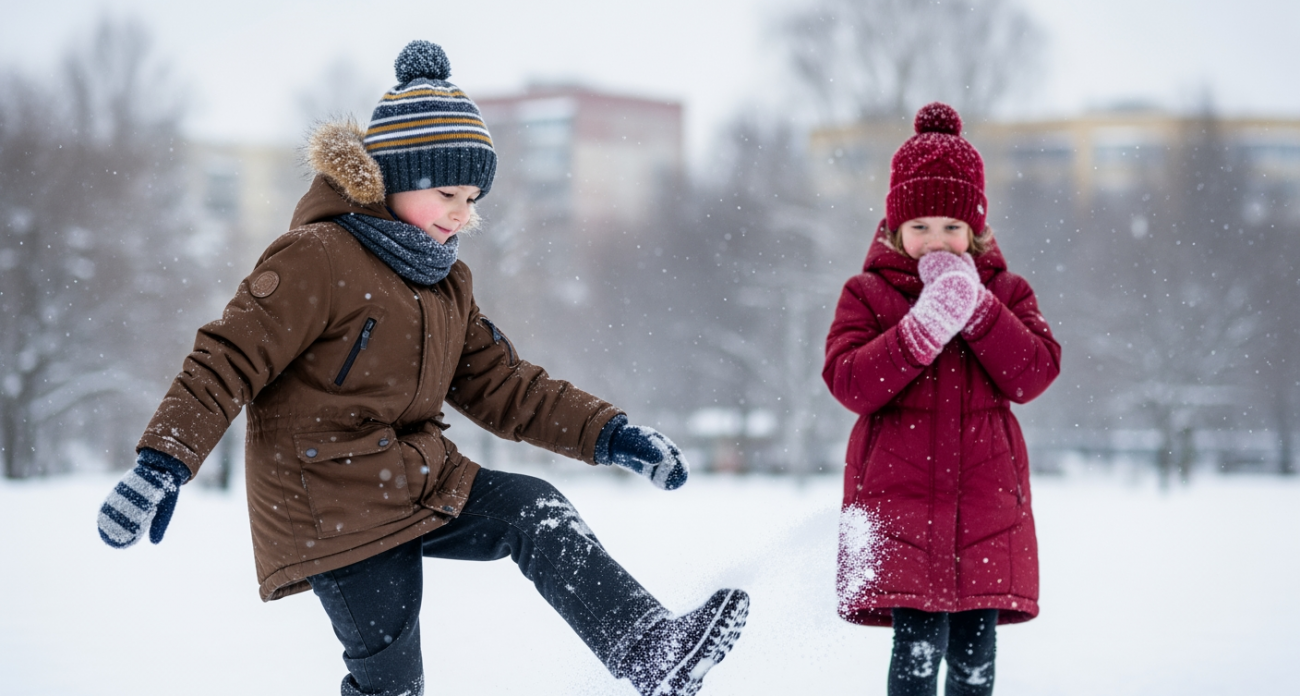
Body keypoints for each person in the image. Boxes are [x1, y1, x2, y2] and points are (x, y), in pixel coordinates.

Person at [96, 40, 748, 696]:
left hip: (421, 478)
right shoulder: (315, 257)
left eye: (472, 196)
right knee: (393, 682)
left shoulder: (446, 283)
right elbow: (227, 358)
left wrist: (611, 433)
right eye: (447, 192)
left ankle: (649, 648)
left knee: (534, 510)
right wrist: (162, 462)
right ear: (393, 179)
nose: (464, 213)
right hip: (332, 501)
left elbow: (504, 385)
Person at [822, 102, 1061, 695]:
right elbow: (848, 380)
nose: (937, 241)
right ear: (895, 228)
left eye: (952, 228)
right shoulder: (869, 293)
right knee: (915, 652)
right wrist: (920, 329)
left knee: (976, 655)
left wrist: (978, 309)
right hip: (900, 503)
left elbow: (1034, 373)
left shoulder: (1006, 292)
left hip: (984, 505)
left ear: (975, 231)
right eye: (921, 226)